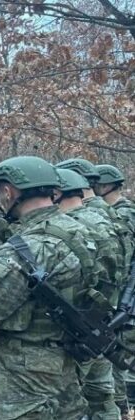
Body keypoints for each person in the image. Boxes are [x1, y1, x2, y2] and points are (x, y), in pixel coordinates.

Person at [0, 156, 91, 419]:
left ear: (8, 191)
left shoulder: (25, 249)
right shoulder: (83, 232)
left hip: (24, 375)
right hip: (71, 363)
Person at [54, 168, 125, 418]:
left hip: (83, 323)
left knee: (71, 399)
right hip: (105, 317)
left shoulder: (76, 223)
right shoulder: (107, 217)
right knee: (103, 393)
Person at [95, 163, 135, 412]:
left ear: (108, 185)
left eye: (97, 184)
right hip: (121, 290)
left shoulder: (124, 213)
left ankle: (123, 403)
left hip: (127, 291)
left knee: (121, 349)